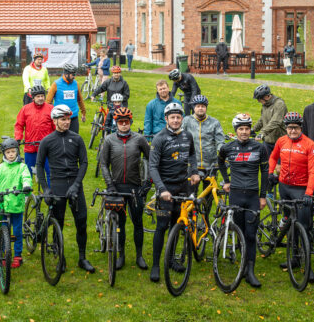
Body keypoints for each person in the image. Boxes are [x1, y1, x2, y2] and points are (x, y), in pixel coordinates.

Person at [36, 104, 94, 273]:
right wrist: (46, 189)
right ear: (55, 121)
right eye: (63, 119)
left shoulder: (76, 139)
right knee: (57, 223)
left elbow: (83, 162)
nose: (67, 122)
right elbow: (39, 165)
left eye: (68, 119)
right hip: (57, 185)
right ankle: (59, 257)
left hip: (75, 185)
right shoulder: (47, 141)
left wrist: (76, 185)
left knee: (81, 222)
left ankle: (82, 258)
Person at [148, 102, 199, 282]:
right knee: (162, 226)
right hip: (165, 189)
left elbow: (192, 155)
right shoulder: (159, 138)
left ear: (182, 118)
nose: (176, 120)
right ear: (166, 119)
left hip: (182, 188)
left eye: (178, 117)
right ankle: (155, 265)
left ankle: (170, 260)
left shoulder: (188, 136)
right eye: (172, 117)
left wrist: (194, 171)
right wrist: (161, 189)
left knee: (177, 225)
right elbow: (152, 167)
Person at [218, 113, 268, 288]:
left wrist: (263, 196)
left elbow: (265, 173)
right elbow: (220, 162)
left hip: (253, 196)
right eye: (241, 129)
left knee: (251, 235)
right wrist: (226, 181)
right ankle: (243, 264)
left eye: (247, 129)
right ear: (236, 131)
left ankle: (250, 272)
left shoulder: (260, 148)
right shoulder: (228, 148)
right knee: (239, 232)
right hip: (236, 195)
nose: (245, 132)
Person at [268, 111, 314, 283]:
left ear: (301, 128)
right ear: (286, 128)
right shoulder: (281, 141)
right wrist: (270, 173)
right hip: (284, 187)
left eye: (295, 128)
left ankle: (307, 265)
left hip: (301, 189)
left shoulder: (309, 144)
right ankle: (294, 258)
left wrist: (309, 193)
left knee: (304, 226)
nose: (292, 131)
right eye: (289, 128)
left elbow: (313, 171)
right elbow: (273, 157)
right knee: (289, 222)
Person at [99, 107, 151, 270]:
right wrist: (110, 185)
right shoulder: (109, 140)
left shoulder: (139, 139)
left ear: (130, 122)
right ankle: (120, 254)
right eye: (120, 122)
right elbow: (103, 164)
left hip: (135, 188)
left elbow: (151, 160)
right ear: (116, 123)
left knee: (137, 222)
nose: (123, 125)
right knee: (120, 223)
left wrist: (147, 183)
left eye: (126, 122)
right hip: (116, 188)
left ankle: (139, 255)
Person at [0, 138, 32, 269]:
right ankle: (3, 253)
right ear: (4, 154)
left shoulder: (22, 167)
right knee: (2, 231)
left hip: (16, 206)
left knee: (17, 232)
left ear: (17, 152)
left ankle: (17, 255)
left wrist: (26, 186)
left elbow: (26, 177)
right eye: (8, 152)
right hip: (2, 205)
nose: (11, 154)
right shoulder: (0, 168)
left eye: (13, 151)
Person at [182, 95, 225, 218]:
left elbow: (220, 141)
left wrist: (221, 152)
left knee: (208, 198)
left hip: (210, 166)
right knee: (191, 196)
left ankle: (204, 221)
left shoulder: (214, 122)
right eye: (198, 106)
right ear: (193, 108)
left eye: (203, 106)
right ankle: (189, 222)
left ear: (206, 108)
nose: (200, 108)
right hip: (192, 165)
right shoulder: (187, 121)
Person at [14, 82, 54, 186]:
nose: (41, 98)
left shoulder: (50, 109)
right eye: (38, 96)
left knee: (50, 172)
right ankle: (27, 196)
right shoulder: (25, 109)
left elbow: (55, 126)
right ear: (33, 97)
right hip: (30, 147)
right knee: (27, 173)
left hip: (46, 148)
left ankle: (50, 196)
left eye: (42, 96)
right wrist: (18, 138)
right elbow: (19, 125)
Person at [45, 63, 86, 134]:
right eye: (72, 75)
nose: (74, 77)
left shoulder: (75, 84)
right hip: (61, 117)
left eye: (74, 74)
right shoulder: (56, 84)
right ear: (66, 74)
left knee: (74, 139)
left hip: (73, 117)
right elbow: (48, 102)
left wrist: (83, 113)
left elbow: (80, 99)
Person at [252, 84, 287, 159]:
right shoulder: (265, 105)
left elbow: (276, 121)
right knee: (267, 166)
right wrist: (253, 130)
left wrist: (262, 133)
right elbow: (262, 119)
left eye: (259, 99)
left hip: (279, 141)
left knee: (279, 168)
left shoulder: (279, 104)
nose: (258, 101)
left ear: (267, 97)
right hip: (267, 141)